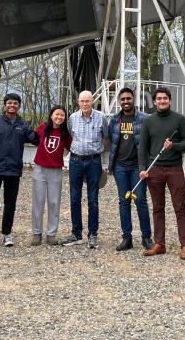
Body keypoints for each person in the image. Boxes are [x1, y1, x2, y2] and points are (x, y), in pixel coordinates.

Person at [139, 87, 185, 259]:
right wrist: (142, 168)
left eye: (165, 98)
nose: (162, 101)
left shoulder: (179, 119)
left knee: (179, 208)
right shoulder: (149, 121)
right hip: (155, 170)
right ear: (154, 101)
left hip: (174, 169)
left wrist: (174, 146)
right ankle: (159, 244)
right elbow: (143, 148)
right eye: (159, 99)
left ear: (169, 100)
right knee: (157, 208)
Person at [0, 93, 37, 248]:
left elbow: (35, 139)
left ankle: (6, 234)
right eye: (10, 103)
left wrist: (45, 128)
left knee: (10, 203)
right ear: (4, 105)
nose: (12, 105)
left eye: (15, 103)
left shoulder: (23, 124)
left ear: (19, 106)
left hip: (13, 170)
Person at [107, 87, 152, 251]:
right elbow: (110, 140)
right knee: (123, 202)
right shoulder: (114, 120)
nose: (126, 101)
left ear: (134, 100)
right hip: (120, 167)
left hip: (137, 167)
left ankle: (146, 237)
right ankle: (127, 238)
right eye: (123, 99)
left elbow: (150, 140)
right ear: (120, 101)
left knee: (140, 200)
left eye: (128, 98)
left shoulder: (144, 118)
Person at [60, 90, 107, 249]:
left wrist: (100, 154)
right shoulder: (72, 118)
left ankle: (93, 234)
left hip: (94, 161)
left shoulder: (101, 117)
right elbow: (69, 136)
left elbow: (106, 138)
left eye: (88, 101)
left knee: (93, 199)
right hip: (76, 161)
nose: (85, 104)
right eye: (82, 101)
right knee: (74, 198)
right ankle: (76, 233)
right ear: (78, 102)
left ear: (92, 101)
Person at [31, 105, 72, 246]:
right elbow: (32, 138)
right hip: (40, 169)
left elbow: (73, 148)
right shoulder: (42, 127)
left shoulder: (65, 134)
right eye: (56, 114)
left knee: (54, 202)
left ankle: (51, 234)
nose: (59, 117)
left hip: (55, 170)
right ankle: (37, 233)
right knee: (38, 201)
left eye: (62, 115)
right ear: (51, 115)